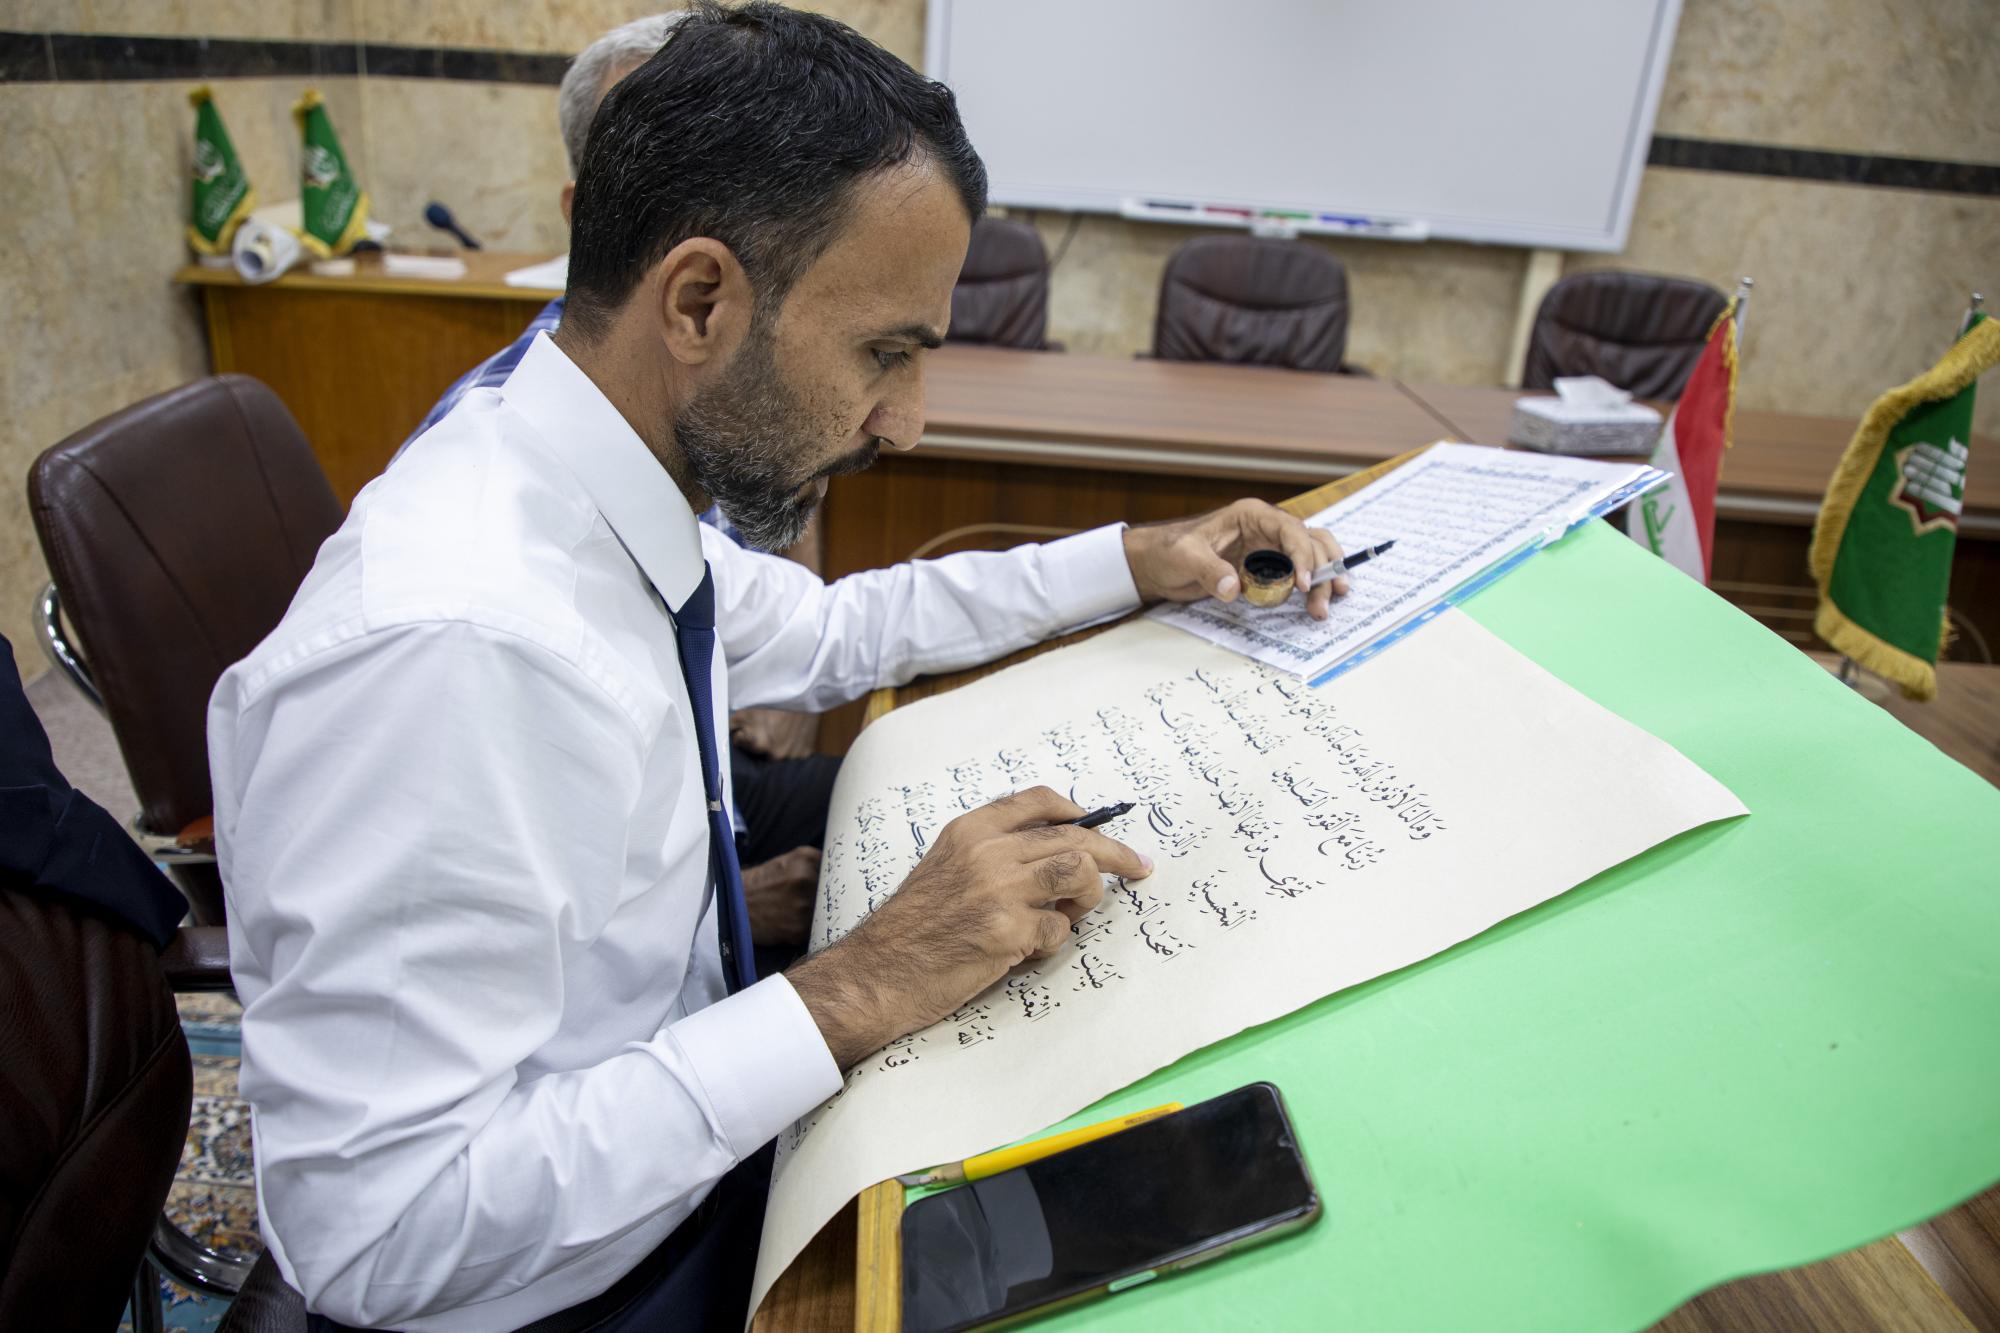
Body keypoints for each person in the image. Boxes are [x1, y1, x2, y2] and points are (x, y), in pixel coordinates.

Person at [208, 5, 1346, 1329]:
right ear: (699, 301)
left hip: (677, 1135)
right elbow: (378, 1235)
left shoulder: (600, 471)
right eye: (883, 352)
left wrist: (1133, 559)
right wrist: (866, 980)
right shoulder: (452, 650)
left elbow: (830, 632)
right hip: (590, 1289)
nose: (904, 423)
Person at [403, 12, 830, 967]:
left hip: (717, 752)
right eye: (656, 172)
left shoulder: (722, 377)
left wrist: (787, 681)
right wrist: (719, 907)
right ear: (584, 211)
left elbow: (789, 523)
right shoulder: (478, 546)